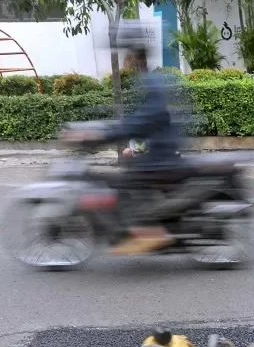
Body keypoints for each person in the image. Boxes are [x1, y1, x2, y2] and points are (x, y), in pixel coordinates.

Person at [73, 21, 184, 256]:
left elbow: (144, 121)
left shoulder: (152, 82)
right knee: (126, 168)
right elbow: (143, 122)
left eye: (128, 54)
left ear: (135, 54)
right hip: (162, 148)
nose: (126, 59)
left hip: (163, 154)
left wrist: (103, 134)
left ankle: (151, 233)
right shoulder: (150, 80)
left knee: (127, 179)